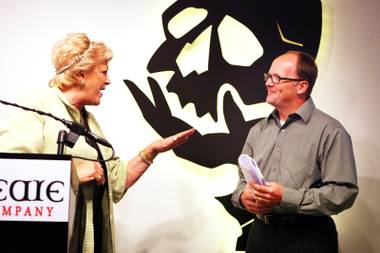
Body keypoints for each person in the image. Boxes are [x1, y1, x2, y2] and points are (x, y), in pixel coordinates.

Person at [0, 33, 195, 253]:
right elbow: (10, 171)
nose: (108, 80)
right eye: (103, 72)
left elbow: (116, 181)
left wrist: (151, 151)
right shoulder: (37, 104)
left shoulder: (88, 121)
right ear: (82, 74)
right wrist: (71, 172)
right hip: (44, 240)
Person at [231, 51, 358, 253]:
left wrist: (285, 197)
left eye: (277, 78)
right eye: (268, 76)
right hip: (260, 235)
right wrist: (242, 197)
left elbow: (343, 193)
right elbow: (241, 183)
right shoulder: (257, 131)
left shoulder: (330, 131)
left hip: (308, 237)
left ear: (302, 86)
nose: (268, 83)